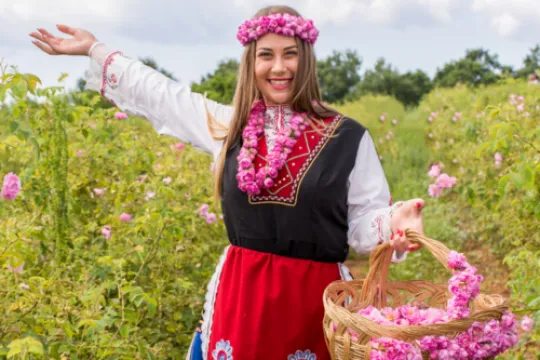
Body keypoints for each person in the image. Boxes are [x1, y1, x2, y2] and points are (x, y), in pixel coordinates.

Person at [30, 5, 426, 359]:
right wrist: (96, 50)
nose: (279, 67)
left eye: (290, 54)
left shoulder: (349, 138)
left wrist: (394, 222)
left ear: (306, 61)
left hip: (314, 302)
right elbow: (163, 95)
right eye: (266, 55)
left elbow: (361, 224)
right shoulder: (228, 126)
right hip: (241, 298)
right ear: (250, 63)